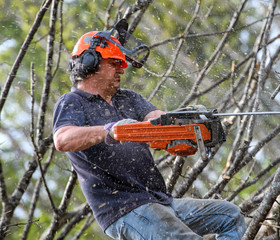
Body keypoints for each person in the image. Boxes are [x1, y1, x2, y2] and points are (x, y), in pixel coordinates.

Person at [53, 30, 246, 240]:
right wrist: (110, 130)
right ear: (90, 63)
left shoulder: (128, 98)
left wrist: (187, 126)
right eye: (114, 63)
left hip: (160, 201)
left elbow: (159, 120)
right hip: (124, 209)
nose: (121, 70)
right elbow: (63, 139)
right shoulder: (72, 102)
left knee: (231, 216)